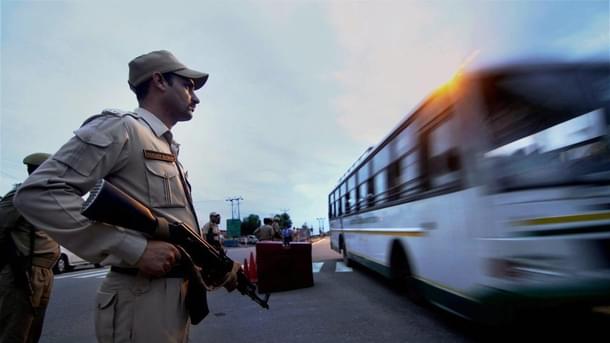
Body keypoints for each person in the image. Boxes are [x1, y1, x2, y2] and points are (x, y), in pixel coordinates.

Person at [14, 50, 240, 343]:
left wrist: (215, 268)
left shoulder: (167, 149)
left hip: (171, 299)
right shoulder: (122, 128)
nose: (195, 98)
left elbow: (173, 229)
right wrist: (133, 248)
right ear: (159, 80)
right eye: (187, 86)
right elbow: (38, 193)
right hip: (139, 298)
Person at [0, 153, 59, 343]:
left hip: (44, 272)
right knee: (15, 331)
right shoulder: (21, 196)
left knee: (33, 332)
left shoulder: (47, 196)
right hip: (25, 271)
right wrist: (14, 263)